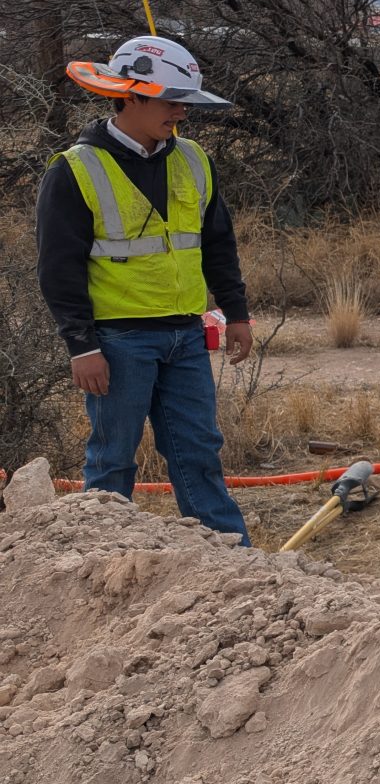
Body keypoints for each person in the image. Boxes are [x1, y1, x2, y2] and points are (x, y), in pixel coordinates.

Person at [36, 36, 253, 539]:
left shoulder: (194, 159)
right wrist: (82, 345)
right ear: (130, 94)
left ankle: (230, 556)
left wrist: (235, 311)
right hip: (117, 342)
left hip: (186, 336)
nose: (180, 112)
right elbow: (57, 269)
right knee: (112, 461)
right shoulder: (76, 169)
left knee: (199, 453)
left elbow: (218, 243)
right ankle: (100, 560)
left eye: (184, 101)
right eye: (171, 100)